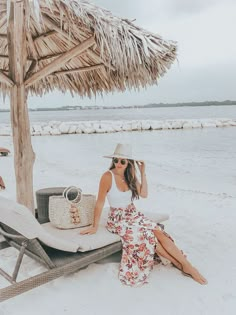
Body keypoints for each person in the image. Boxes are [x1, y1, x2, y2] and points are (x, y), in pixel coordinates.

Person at [80, 143, 207, 286]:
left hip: (133, 214)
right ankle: (180, 265)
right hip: (118, 220)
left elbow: (144, 194)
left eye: (122, 161)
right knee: (149, 236)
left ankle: (187, 265)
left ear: (129, 162)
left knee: (159, 232)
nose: (118, 164)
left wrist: (142, 172)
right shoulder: (107, 176)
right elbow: (100, 202)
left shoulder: (130, 175)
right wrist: (94, 226)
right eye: (116, 160)